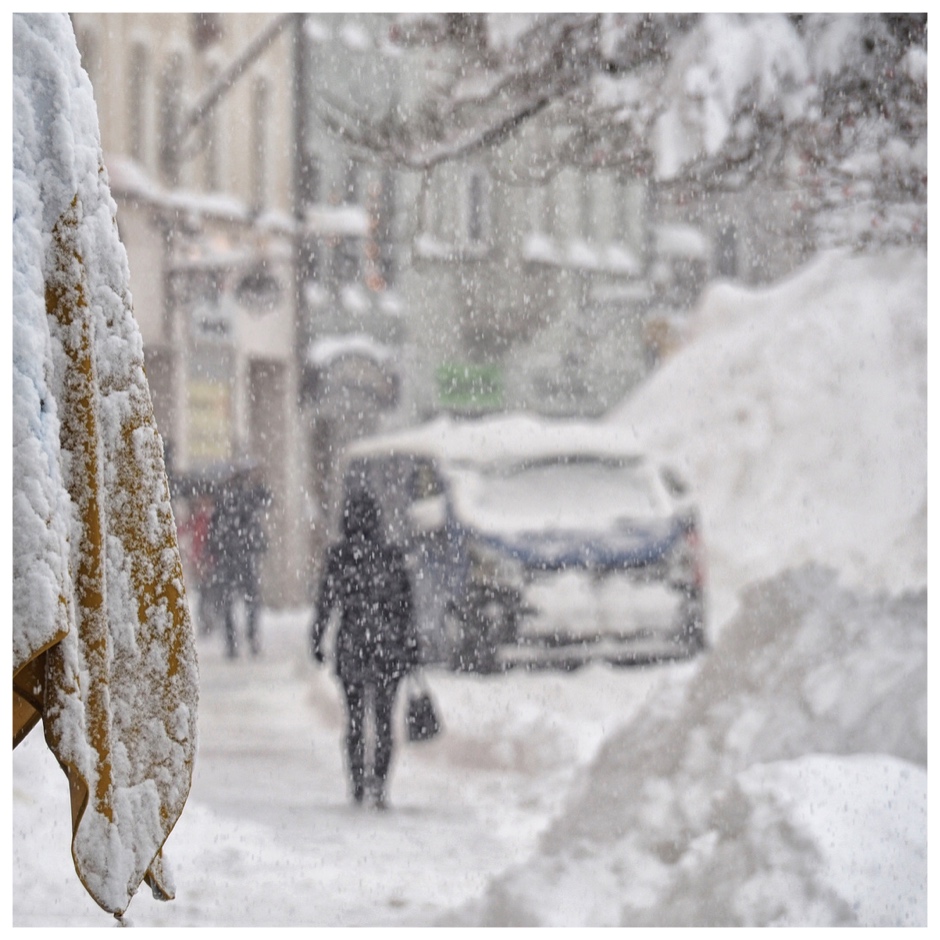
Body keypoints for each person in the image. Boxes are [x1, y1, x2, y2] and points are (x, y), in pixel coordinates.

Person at [311, 488, 420, 809]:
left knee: (355, 719)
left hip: (352, 645)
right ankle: (379, 784)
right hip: (388, 648)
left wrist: (317, 640)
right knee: (385, 719)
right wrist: (411, 646)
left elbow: (325, 603)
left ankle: (358, 781)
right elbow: (406, 608)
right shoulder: (392, 556)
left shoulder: (338, 557)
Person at [208, 465, 270, 658]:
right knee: (250, 600)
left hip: (228, 556)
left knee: (228, 601)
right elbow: (266, 500)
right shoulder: (248, 498)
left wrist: (215, 548)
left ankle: (232, 642)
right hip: (245, 555)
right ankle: (250, 638)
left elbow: (215, 529)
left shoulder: (224, 499)